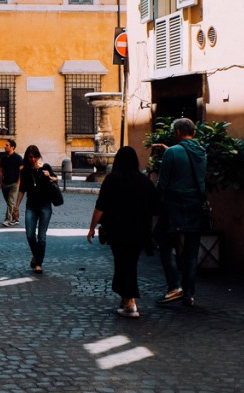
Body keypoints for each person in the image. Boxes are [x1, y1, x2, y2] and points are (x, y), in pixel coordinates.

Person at [86, 146, 159, 317]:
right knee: (130, 264)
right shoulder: (144, 180)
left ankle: (130, 302)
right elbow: (156, 207)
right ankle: (126, 299)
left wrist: (91, 228)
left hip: (117, 230)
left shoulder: (112, 179)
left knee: (122, 264)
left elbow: (100, 205)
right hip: (139, 230)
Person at [154, 117, 207, 307]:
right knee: (192, 251)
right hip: (195, 205)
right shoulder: (201, 151)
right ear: (193, 132)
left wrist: (155, 204)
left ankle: (174, 287)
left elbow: (163, 183)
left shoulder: (172, 153)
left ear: (177, 132)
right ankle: (189, 293)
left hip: (174, 205)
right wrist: (169, 150)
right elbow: (187, 162)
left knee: (166, 245)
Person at [16, 145, 59, 273]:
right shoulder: (25, 171)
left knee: (41, 236)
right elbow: (22, 189)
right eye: (30, 157)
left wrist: (49, 176)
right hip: (31, 206)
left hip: (45, 206)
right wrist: (16, 207)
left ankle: (38, 263)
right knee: (30, 234)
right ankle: (36, 255)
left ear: (38, 156)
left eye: (35, 157)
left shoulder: (45, 167)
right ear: (27, 157)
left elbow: (56, 179)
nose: (33, 159)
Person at [0, 139, 22, 227]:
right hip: (5, 183)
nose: (5, 146)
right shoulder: (3, 158)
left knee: (10, 201)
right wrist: (0, 182)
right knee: (9, 203)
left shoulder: (18, 157)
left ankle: (7, 219)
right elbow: (1, 171)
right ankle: (16, 219)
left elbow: (21, 171)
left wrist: (19, 181)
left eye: (7, 145)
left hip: (14, 183)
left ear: (12, 147)